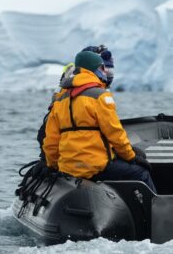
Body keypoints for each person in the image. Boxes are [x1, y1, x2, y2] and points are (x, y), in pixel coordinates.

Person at [42, 50, 156, 192]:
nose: (105, 71)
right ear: (93, 69)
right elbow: (115, 134)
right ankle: (152, 206)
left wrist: (53, 166)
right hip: (95, 167)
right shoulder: (100, 96)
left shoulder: (59, 100)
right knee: (141, 173)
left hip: (68, 168)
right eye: (102, 67)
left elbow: (51, 141)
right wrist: (131, 157)